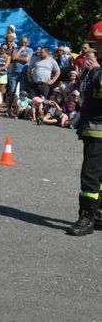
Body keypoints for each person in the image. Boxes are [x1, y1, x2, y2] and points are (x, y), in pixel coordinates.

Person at [67, 21, 102, 236]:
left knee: (91, 175)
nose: (93, 48)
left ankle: (87, 218)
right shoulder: (94, 65)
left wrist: (97, 70)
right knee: (96, 175)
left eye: (98, 44)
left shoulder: (97, 66)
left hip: (99, 129)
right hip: (92, 127)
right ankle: (96, 214)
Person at [8, 36, 33, 112]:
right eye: (22, 42)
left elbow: (26, 60)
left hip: (24, 73)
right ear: (20, 42)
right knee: (11, 91)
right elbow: (12, 58)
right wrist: (20, 50)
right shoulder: (16, 49)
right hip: (14, 72)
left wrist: (17, 58)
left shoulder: (30, 50)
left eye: (25, 42)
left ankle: (21, 109)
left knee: (22, 92)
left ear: (27, 43)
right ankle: (9, 109)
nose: (23, 44)